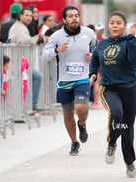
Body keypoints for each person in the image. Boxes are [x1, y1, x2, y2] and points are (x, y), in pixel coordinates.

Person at [89, 11, 136, 178]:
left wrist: (132, 38)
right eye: (112, 22)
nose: (115, 26)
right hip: (109, 89)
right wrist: (93, 73)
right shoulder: (102, 45)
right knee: (117, 114)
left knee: (127, 128)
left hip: (129, 90)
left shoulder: (129, 41)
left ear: (124, 26)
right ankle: (111, 143)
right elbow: (95, 59)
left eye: (118, 23)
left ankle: (129, 163)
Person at [41, 6, 98, 155]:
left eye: (76, 15)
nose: (74, 18)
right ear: (65, 20)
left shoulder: (89, 33)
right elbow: (44, 56)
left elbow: (98, 50)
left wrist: (92, 56)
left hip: (82, 78)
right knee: (67, 114)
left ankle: (82, 124)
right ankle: (74, 142)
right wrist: (56, 50)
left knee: (81, 107)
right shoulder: (56, 36)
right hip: (65, 80)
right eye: (71, 16)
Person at [8, 7, 44, 112]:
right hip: (17, 62)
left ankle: (28, 105)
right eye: (27, 15)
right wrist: (35, 38)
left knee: (31, 80)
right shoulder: (18, 27)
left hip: (22, 62)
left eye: (31, 16)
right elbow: (24, 41)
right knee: (35, 77)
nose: (29, 18)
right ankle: (27, 106)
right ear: (20, 16)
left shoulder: (23, 27)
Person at [91, 22, 105, 109]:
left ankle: (95, 101)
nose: (100, 31)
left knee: (96, 83)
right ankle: (95, 102)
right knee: (96, 83)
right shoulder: (94, 40)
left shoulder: (103, 40)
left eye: (101, 30)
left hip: (98, 63)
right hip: (96, 64)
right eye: (98, 30)